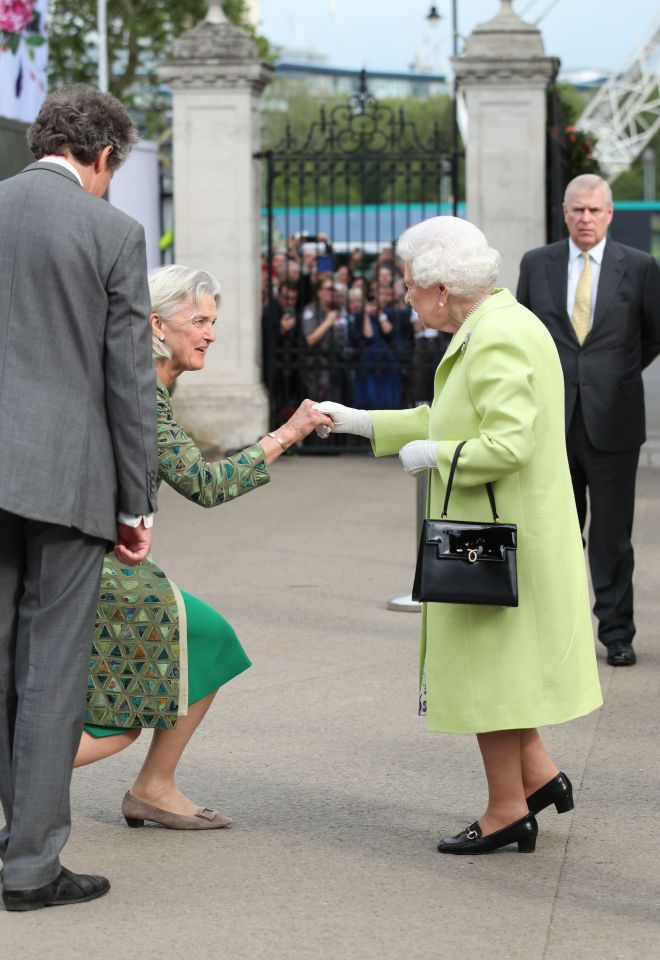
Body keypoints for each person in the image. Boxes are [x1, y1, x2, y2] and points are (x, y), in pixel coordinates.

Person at [316, 216, 602, 856]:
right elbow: (451, 416)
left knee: (488, 679)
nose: (405, 297)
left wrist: (433, 453)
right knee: (505, 670)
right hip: (508, 530)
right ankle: (537, 777)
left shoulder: (495, 336)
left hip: (496, 535)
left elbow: (505, 444)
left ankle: (507, 811)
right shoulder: (499, 323)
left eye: (410, 286)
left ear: (442, 288)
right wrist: (362, 423)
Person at [77, 265, 333, 831]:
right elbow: (205, 484)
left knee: (188, 652)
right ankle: (148, 787)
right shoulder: (140, 388)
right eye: (199, 320)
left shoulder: (134, 377)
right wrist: (287, 434)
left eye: (212, 321)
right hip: (96, 561)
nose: (211, 333)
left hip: (88, 551)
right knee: (118, 723)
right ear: (156, 324)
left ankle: (153, 786)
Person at [0, 85, 157, 910]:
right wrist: (137, 506)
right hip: (67, 478)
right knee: (51, 670)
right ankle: (30, 866)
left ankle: (12, 836)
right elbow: (128, 382)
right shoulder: (112, 232)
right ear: (102, 157)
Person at [517, 174, 660, 667]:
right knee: (554, 529)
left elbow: (652, 335)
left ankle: (617, 633)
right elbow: (523, 333)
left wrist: (613, 375)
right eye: (577, 209)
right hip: (551, 420)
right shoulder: (537, 265)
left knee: (612, 536)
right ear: (564, 212)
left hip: (613, 420)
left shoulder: (640, 267)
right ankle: (555, 634)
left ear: (609, 214)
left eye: (594, 210)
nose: (585, 218)